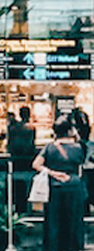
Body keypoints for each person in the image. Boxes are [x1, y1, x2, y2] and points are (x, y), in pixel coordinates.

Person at [35, 115, 87, 251]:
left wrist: (53, 173)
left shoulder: (49, 147)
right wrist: (75, 135)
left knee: (54, 221)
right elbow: (82, 159)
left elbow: (36, 164)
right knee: (73, 221)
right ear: (70, 130)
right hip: (74, 186)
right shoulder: (78, 147)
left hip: (55, 186)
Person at [9, 106, 38, 216]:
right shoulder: (30, 128)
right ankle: (26, 208)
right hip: (27, 159)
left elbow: (11, 144)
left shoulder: (13, 127)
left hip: (16, 159)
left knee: (17, 185)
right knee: (28, 184)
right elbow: (31, 144)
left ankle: (18, 208)